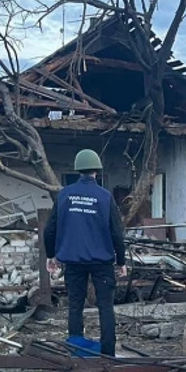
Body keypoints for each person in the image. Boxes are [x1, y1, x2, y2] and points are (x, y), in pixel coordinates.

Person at [44, 149, 126, 356]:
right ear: (97, 171)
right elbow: (117, 232)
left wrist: (50, 255)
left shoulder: (64, 195)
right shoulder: (105, 197)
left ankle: (76, 349)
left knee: (75, 305)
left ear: (78, 170)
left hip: (72, 261)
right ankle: (108, 353)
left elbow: (50, 228)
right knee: (106, 307)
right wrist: (121, 260)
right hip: (102, 262)